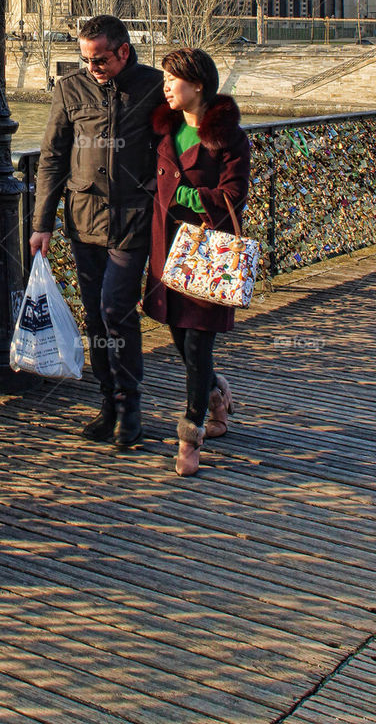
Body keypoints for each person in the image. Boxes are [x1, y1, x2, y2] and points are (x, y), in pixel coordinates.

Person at [30, 15, 164, 448]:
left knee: (116, 310)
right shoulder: (70, 88)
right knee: (95, 315)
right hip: (84, 218)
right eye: (85, 59)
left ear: (123, 50)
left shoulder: (153, 85)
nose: (92, 67)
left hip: (133, 218)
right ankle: (107, 401)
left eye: (99, 59)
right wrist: (42, 224)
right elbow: (52, 157)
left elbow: (174, 148)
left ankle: (130, 405)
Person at [144, 47, 251, 477]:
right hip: (165, 246)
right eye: (166, 79)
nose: (165, 86)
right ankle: (215, 391)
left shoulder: (230, 137)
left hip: (206, 253)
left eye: (173, 79)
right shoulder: (162, 129)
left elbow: (234, 194)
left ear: (199, 85)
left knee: (196, 341)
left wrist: (181, 195)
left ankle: (190, 435)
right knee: (176, 335)